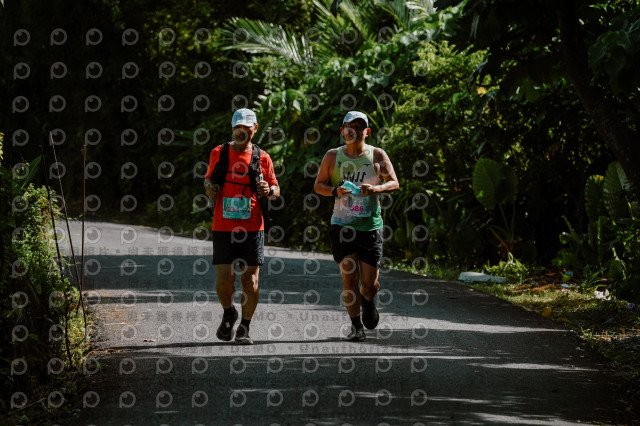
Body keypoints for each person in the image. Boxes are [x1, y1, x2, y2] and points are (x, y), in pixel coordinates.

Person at [314, 111, 399, 341]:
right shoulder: (332, 156)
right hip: (342, 225)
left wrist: (376, 189)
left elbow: (394, 182)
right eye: (349, 126)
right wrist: (335, 191)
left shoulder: (377, 155)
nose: (354, 130)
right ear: (342, 130)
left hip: (370, 226)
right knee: (349, 278)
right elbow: (319, 185)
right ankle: (356, 326)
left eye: (359, 127)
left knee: (369, 285)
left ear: (367, 131)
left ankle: (368, 301)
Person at [203, 108, 280, 344]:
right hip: (223, 226)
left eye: (247, 127)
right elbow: (208, 179)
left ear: (255, 129)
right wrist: (209, 187)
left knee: (250, 280)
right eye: (238, 127)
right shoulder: (219, 152)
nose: (241, 131)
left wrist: (269, 190)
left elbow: (275, 189)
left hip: (253, 226)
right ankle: (229, 312)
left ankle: (245, 327)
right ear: (232, 127)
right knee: (225, 280)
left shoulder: (262, 157)